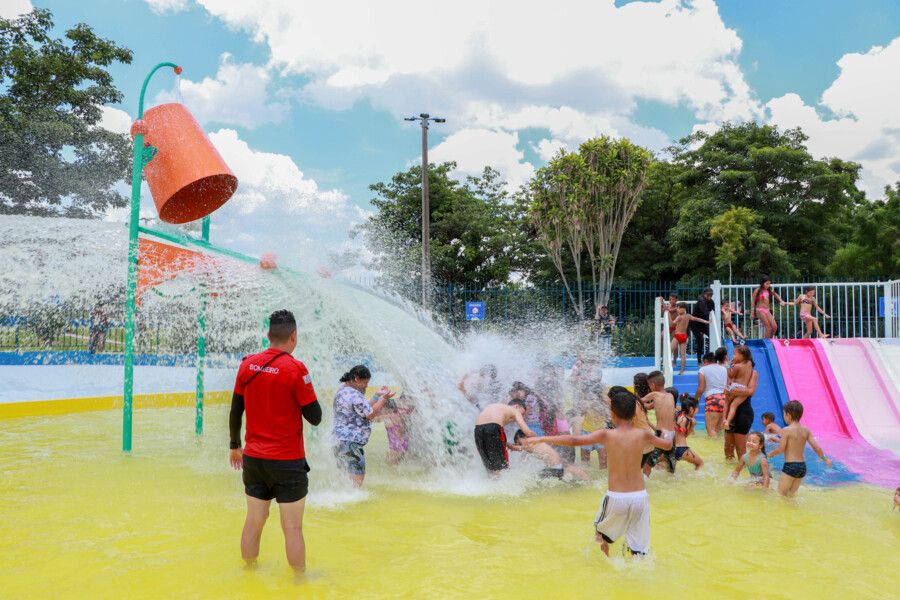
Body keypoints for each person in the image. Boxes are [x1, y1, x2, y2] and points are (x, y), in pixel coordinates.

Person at [524, 390, 674, 557]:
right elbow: (667, 445)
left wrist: (543, 439)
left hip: (616, 498)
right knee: (640, 548)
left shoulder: (607, 434)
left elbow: (574, 440)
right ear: (634, 414)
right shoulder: (643, 434)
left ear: (613, 414)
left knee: (600, 533)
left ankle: (606, 562)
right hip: (640, 497)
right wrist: (668, 432)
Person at [228, 309, 322, 571]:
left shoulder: (248, 364)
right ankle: (300, 581)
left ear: (268, 335)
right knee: (292, 528)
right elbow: (315, 417)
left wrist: (235, 446)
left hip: (254, 458)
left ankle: (249, 571)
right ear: (294, 336)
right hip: (287, 461)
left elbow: (236, 410)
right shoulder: (296, 369)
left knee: (254, 520)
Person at [332, 365, 394, 487]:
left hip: (339, 440)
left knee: (344, 474)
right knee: (357, 477)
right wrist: (384, 399)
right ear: (356, 378)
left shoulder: (343, 390)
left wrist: (377, 395)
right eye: (365, 382)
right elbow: (370, 414)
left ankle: (342, 497)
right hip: (351, 443)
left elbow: (363, 408)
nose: (366, 386)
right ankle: (353, 499)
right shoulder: (354, 395)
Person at [767, 400, 832, 497]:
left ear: (788, 415)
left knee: (781, 495)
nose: (784, 416)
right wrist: (825, 459)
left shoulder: (786, 430)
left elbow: (781, 449)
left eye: (784, 414)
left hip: (790, 465)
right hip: (802, 467)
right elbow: (816, 447)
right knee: (791, 496)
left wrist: (769, 455)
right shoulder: (806, 430)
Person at [474, 400, 535, 474]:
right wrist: (539, 439)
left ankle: (491, 482)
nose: (521, 416)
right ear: (516, 406)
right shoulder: (515, 411)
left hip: (477, 430)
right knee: (502, 467)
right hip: (493, 428)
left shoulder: (495, 406)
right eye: (522, 414)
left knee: (489, 466)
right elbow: (527, 432)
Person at [510, 430, 590, 481]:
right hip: (558, 468)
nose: (520, 445)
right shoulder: (539, 443)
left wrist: (506, 444)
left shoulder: (530, 444)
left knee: (532, 479)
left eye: (520, 443)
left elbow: (518, 448)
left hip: (554, 469)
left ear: (526, 437)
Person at [723, 345, 758, 461]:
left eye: (735, 354)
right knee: (728, 450)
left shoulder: (753, 373)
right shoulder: (735, 370)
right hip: (730, 413)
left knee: (740, 451)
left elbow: (750, 391)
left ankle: (744, 474)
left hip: (743, 412)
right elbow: (727, 389)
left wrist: (732, 390)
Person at [643, 371, 677, 473]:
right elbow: (649, 406)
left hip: (661, 434)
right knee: (670, 459)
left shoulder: (654, 394)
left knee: (648, 462)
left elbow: (639, 401)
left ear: (652, 385)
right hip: (671, 434)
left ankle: (644, 480)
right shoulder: (670, 396)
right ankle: (672, 474)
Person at [696, 347, 728, 437]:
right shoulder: (724, 369)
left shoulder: (703, 369)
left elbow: (700, 388)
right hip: (725, 400)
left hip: (713, 400)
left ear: (705, 361)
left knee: (711, 430)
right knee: (719, 430)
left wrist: (695, 400)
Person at [672, 303, 709, 375]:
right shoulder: (688, 316)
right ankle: (682, 371)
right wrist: (705, 321)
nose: (677, 310)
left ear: (684, 309)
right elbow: (697, 319)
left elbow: (672, 324)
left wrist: (668, 317)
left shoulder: (679, 317)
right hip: (684, 336)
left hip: (677, 336)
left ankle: (668, 367)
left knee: (669, 351)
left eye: (678, 308)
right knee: (683, 355)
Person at [377, 392, 413, 465]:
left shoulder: (391, 416)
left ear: (387, 409)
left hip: (396, 447)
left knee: (389, 467)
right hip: (401, 445)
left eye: (381, 409)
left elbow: (374, 418)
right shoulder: (397, 416)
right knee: (393, 467)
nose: (380, 411)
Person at [674, 395, 703, 470]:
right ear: (691, 409)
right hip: (682, 449)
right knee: (700, 463)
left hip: (672, 449)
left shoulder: (678, 415)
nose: (698, 410)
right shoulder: (688, 420)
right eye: (697, 408)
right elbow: (685, 435)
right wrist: (692, 426)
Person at [690, 288, 716, 365]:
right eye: (708, 294)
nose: (709, 296)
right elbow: (705, 312)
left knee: (712, 338)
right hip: (695, 323)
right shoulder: (701, 301)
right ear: (704, 294)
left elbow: (714, 310)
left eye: (711, 294)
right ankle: (699, 360)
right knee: (700, 341)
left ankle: (710, 357)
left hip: (704, 323)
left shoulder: (711, 302)